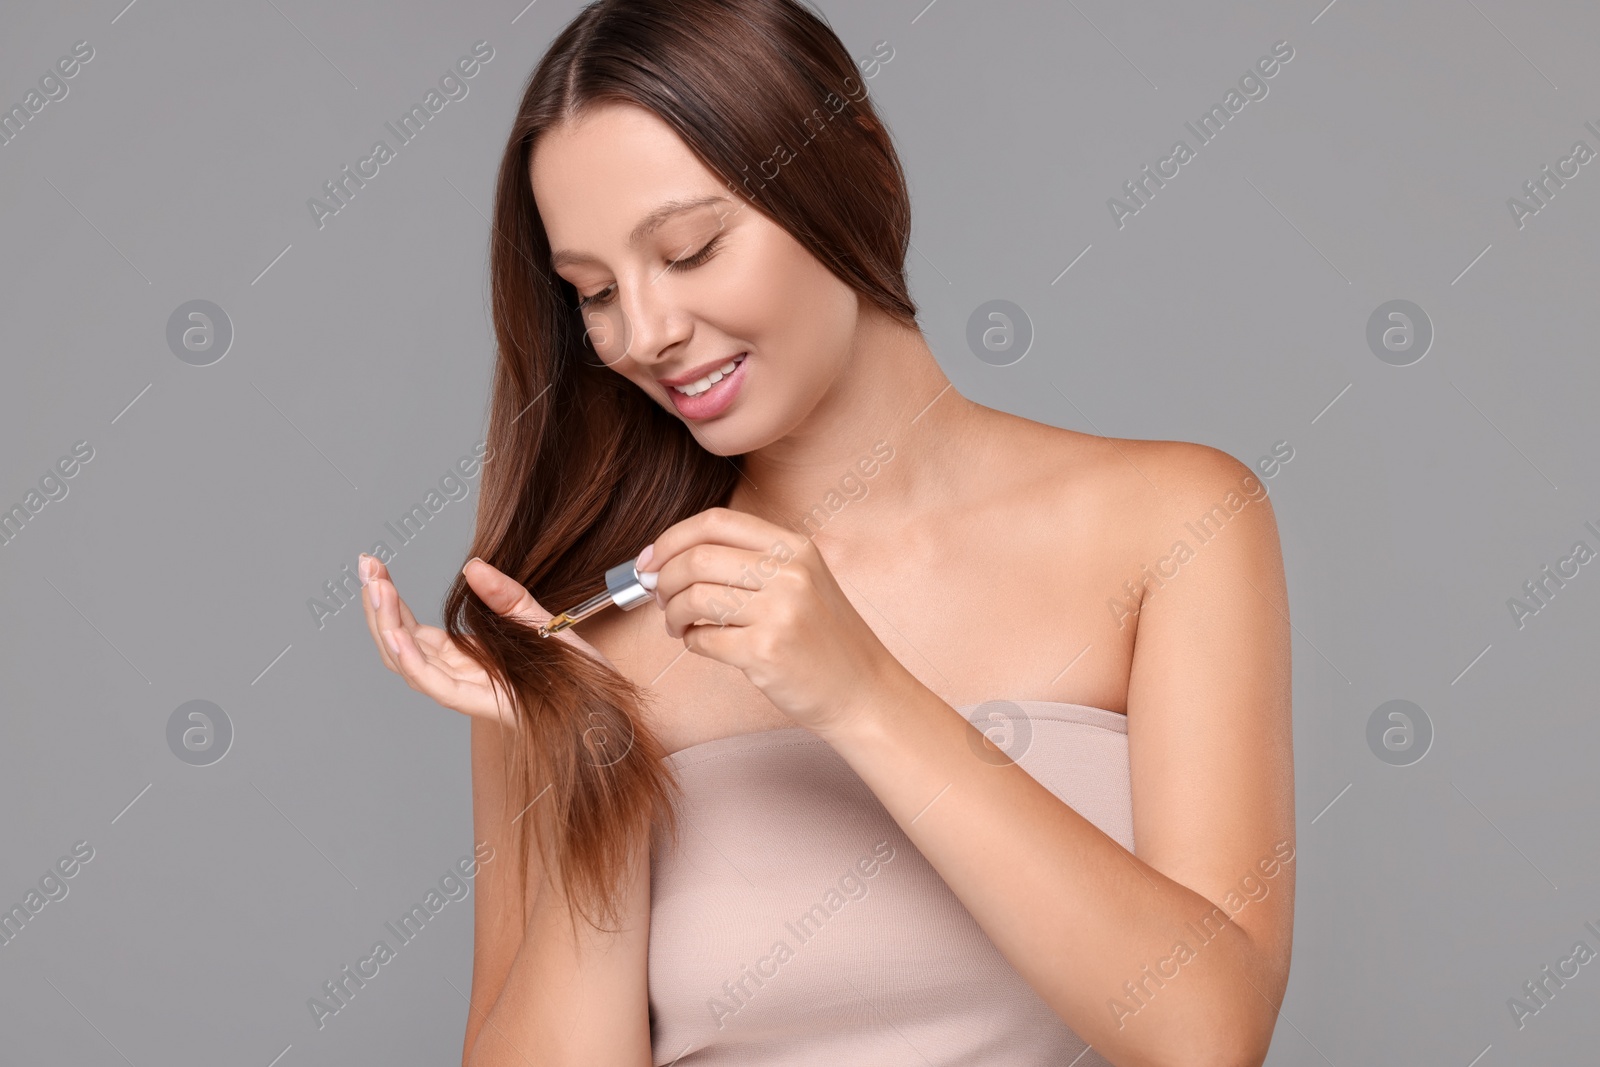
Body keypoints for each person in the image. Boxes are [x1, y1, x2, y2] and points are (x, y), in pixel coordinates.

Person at [358, 1, 1295, 1064]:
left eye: (691, 248)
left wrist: (860, 690)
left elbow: (1209, 1030)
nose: (646, 332)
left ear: (847, 171)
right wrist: (598, 772)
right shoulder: (579, 631)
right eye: (596, 292)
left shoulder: (1172, 524)